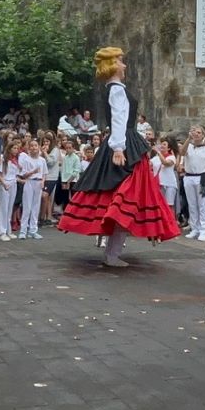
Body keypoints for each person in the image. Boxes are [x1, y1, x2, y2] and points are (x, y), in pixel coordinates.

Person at [57, 47, 179, 265]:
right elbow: (119, 120)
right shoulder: (116, 90)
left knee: (121, 198)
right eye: (121, 61)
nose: (124, 65)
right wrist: (119, 148)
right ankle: (112, 254)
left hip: (125, 143)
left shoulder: (115, 88)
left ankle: (112, 252)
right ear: (113, 64)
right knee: (127, 198)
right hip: (124, 145)